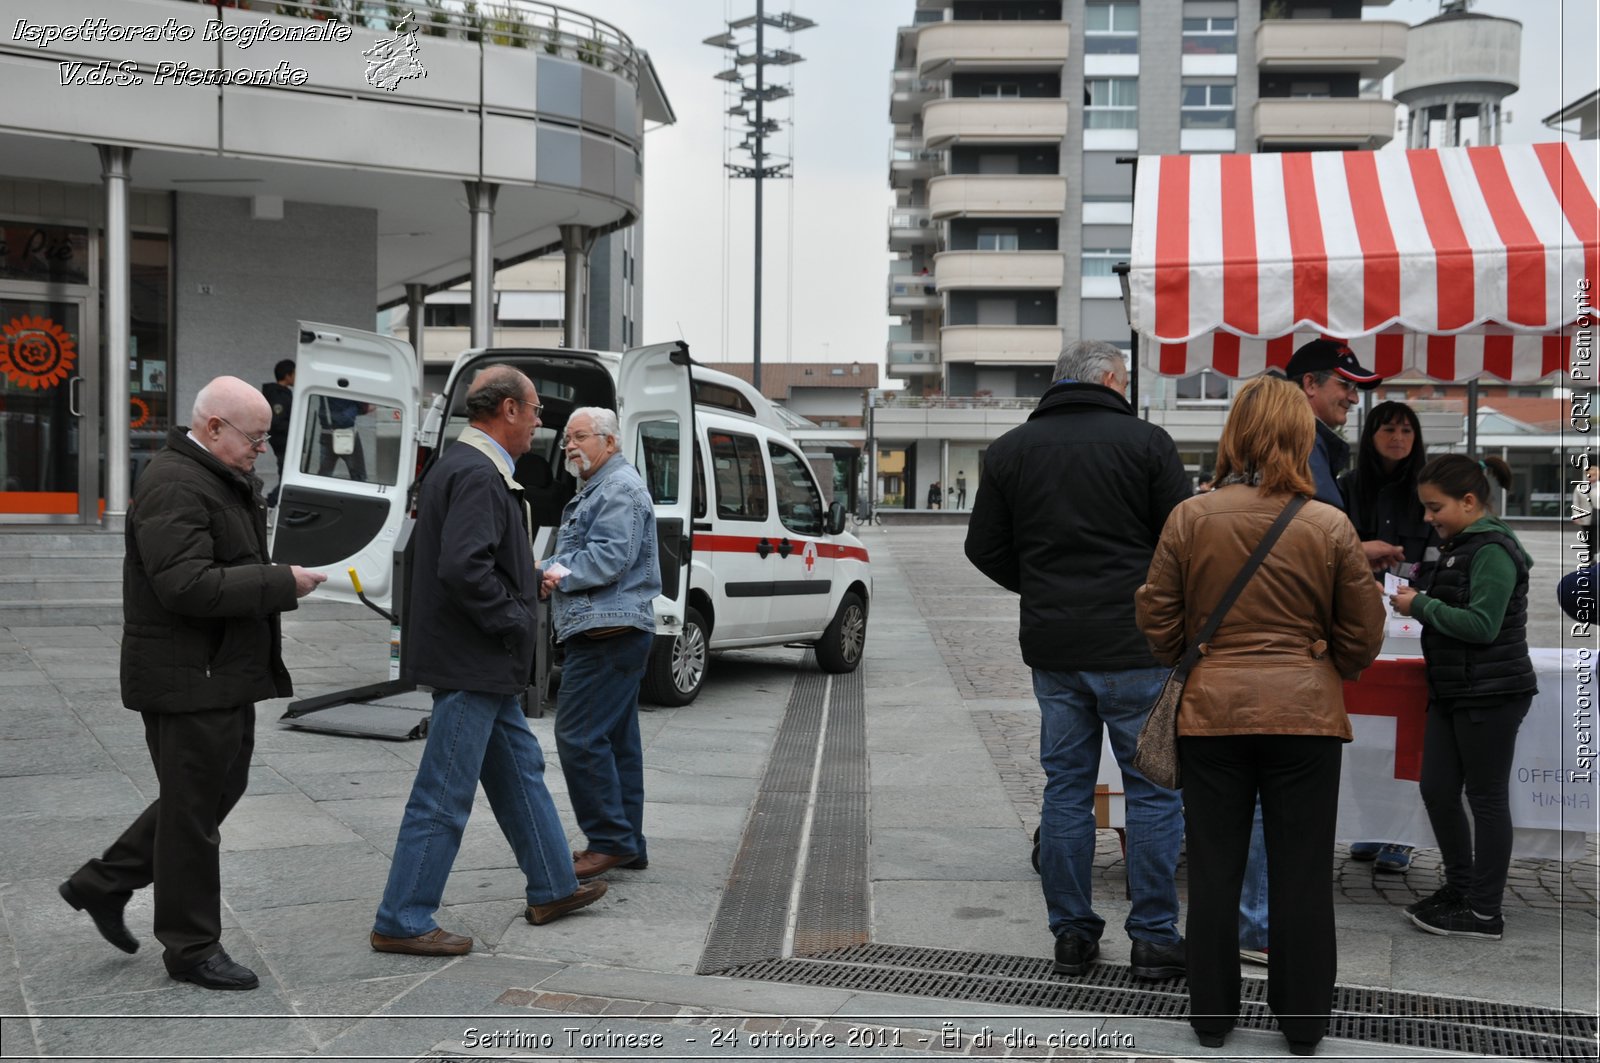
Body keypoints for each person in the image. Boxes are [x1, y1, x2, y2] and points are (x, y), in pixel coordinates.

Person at [1136, 375, 1385, 1055]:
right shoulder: (1329, 524)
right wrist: (1319, 659)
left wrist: (1198, 650)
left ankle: (1212, 1014)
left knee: (1213, 866)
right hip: (1304, 714)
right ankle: (1303, 1021)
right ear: (1300, 436)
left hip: (1213, 710)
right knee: (1301, 869)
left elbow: (1156, 615)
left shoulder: (1192, 516)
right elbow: (1363, 635)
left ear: (1234, 433)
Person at [61, 377, 328, 990]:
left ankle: (103, 882)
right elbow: (185, 585)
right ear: (212, 428)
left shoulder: (216, 477)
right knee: (193, 815)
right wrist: (278, 582)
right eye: (255, 437)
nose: (263, 447)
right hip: (189, 676)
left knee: (207, 796)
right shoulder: (176, 483)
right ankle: (190, 948)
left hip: (218, 672)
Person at [966, 340, 1191, 982]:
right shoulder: (1148, 444)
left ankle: (1071, 935)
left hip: (1054, 647)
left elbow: (984, 547)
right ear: (1113, 379)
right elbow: (1182, 540)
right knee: (1150, 790)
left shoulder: (1009, 451)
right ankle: (1152, 937)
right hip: (1135, 646)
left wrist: (1041, 585)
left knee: (1066, 788)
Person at [372, 366, 604, 957]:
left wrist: (525, 582)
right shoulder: (478, 472)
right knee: (445, 791)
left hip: (479, 658)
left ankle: (552, 884)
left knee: (519, 771)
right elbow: (464, 568)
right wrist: (516, 616)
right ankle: (402, 917)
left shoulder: (466, 466)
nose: (538, 421)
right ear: (505, 409)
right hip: (472, 657)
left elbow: (474, 560)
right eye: (532, 410)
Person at [1391, 455, 1537, 941]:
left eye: (1436, 508)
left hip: (1490, 694)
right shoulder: (1461, 545)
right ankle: (1462, 888)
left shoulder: (1492, 549)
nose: (1428, 518)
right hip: (1455, 690)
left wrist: (1421, 605)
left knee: (1487, 799)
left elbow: (1482, 625)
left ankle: (1483, 913)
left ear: (1469, 502)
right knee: (1436, 788)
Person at [1285, 339, 1410, 875]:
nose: (1354, 399)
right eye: (1345, 386)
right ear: (1309, 385)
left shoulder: (1315, 446)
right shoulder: (1296, 446)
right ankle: (1270, 918)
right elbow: (1298, 541)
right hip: (1295, 643)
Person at [540, 407, 661, 882]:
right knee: (616, 742)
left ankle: (609, 840)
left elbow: (610, 556)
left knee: (578, 737)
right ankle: (627, 843)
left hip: (608, 632)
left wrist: (553, 572)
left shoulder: (617, 488)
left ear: (609, 442)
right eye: (566, 439)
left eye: (580, 437)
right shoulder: (604, 486)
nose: (570, 446)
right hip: (615, 630)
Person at [1558, 463, 1596, 622]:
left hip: (1598, 517)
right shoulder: (1580, 487)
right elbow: (1576, 503)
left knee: (1596, 538)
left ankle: (1594, 557)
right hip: (1587, 517)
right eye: (1591, 474)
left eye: (1595, 474)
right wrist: (1576, 516)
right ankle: (1590, 557)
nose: (1593, 476)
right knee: (1588, 538)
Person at [262, 359, 294, 506]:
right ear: (287, 375)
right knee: (286, 478)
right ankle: (268, 503)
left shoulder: (283, 393)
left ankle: (270, 503)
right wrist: (295, 427)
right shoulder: (278, 395)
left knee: (287, 477)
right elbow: (277, 421)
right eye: (295, 374)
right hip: (283, 442)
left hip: (284, 441)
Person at [316, 396, 369, 482]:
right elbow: (364, 408)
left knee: (324, 475)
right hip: (348, 434)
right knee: (359, 477)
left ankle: (316, 493)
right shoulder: (353, 385)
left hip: (326, 432)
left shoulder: (326, 384)